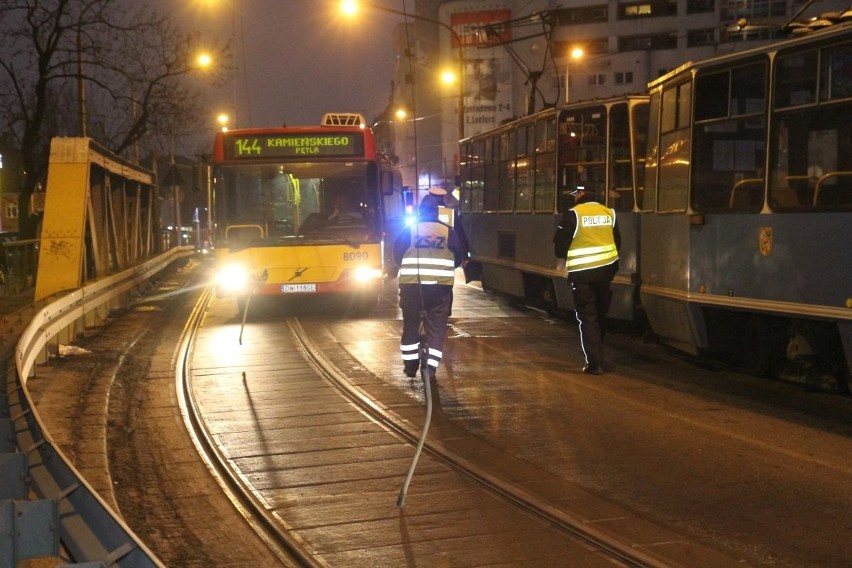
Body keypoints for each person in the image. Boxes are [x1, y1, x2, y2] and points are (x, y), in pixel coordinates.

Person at [394, 188, 469, 380]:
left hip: (411, 286)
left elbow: (397, 256)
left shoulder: (409, 230)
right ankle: (431, 368)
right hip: (439, 288)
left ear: (420, 212)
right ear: (437, 212)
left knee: (411, 324)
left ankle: (410, 366)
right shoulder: (447, 231)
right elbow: (458, 256)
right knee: (436, 327)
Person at [553, 186, 620, 375]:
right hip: (606, 273)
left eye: (575, 194)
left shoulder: (573, 214)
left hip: (582, 275)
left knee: (587, 318)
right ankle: (600, 357)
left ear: (581, 196)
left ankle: (594, 364)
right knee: (599, 316)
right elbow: (618, 242)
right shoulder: (609, 213)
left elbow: (559, 247)